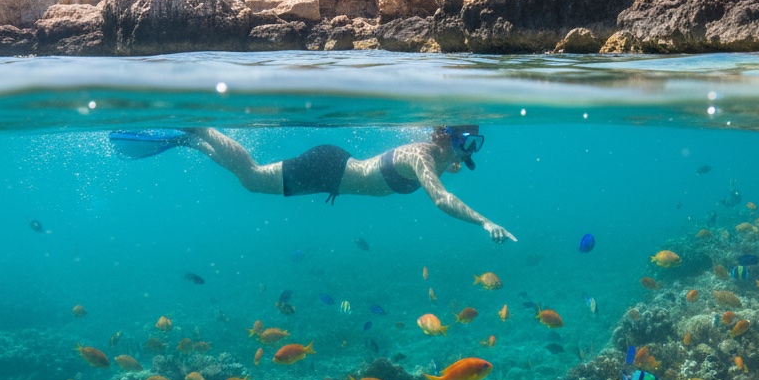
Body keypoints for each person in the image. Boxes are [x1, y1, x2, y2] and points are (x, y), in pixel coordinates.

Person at [109, 124, 516, 243]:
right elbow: (441, 200)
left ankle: (190, 140)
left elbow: (450, 172)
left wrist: (459, 159)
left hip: (334, 172)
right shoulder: (421, 155)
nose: (472, 148)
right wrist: (484, 222)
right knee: (250, 177)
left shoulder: (445, 157)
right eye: (467, 141)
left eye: (476, 141)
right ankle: (195, 127)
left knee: (250, 181)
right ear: (445, 136)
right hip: (328, 169)